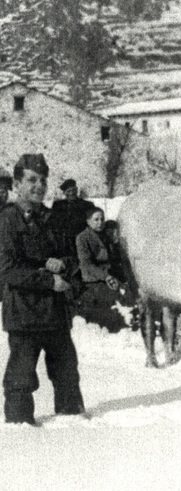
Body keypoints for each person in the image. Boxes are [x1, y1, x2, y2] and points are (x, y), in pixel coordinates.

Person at [0, 154, 85, 425]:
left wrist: (63, 263)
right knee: (21, 378)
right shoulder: (7, 220)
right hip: (24, 314)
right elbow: (7, 269)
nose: (39, 186)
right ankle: (20, 430)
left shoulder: (53, 218)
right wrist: (49, 281)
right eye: (32, 180)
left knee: (67, 373)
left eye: (43, 180)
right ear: (17, 184)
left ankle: (74, 425)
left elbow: (73, 257)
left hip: (56, 313)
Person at [75, 208, 127, 331]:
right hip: (93, 281)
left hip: (110, 278)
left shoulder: (105, 235)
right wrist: (106, 276)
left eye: (102, 219)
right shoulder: (82, 237)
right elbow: (86, 264)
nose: (100, 222)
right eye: (96, 219)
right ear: (88, 221)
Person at [51, 178, 95, 258]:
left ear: (77, 190)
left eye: (74, 190)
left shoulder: (87, 205)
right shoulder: (58, 205)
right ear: (64, 193)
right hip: (64, 243)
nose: (72, 193)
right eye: (69, 191)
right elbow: (53, 224)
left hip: (82, 241)